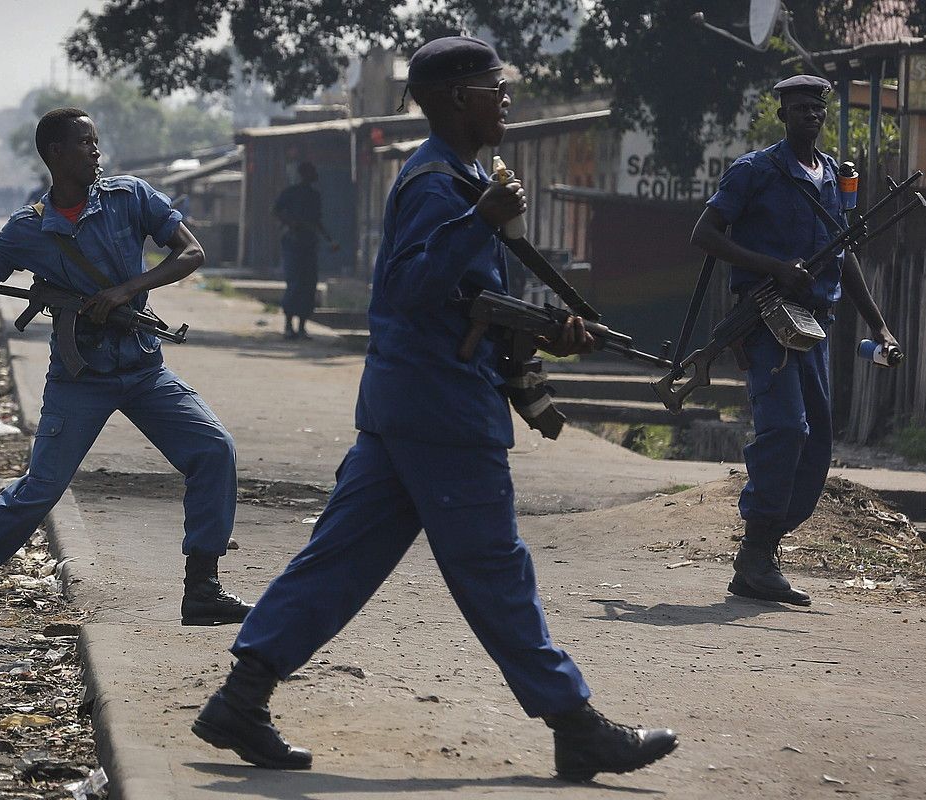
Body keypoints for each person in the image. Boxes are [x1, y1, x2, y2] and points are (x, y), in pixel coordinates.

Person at [192, 36, 678, 784]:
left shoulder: (467, 177)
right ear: (457, 98)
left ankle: (241, 697)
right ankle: (576, 724)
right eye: (495, 86)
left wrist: (553, 331)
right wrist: (479, 219)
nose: (506, 98)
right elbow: (412, 289)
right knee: (495, 569)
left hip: (410, 407)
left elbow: (465, 303)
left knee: (340, 559)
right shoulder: (437, 185)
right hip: (442, 412)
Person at [0, 108, 252, 635]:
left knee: (214, 449)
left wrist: (125, 291)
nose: (96, 151)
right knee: (40, 490)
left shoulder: (130, 197)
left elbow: (191, 252)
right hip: (80, 377)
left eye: (95, 142)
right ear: (54, 153)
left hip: (142, 365)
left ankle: (202, 589)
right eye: (83, 143)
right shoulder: (29, 229)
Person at [690, 75, 899, 606]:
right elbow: (705, 235)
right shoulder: (755, 171)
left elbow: (844, 252)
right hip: (765, 320)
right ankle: (755, 554)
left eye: (817, 109)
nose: (811, 115)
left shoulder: (831, 176)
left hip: (815, 328)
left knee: (817, 444)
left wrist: (878, 324)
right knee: (785, 428)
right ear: (782, 114)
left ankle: (763, 555)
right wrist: (773, 268)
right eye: (800, 108)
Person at [273, 161, 337, 340]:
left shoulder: (314, 196)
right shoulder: (291, 193)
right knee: (294, 283)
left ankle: (301, 327)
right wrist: (291, 223)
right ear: (305, 174)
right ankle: (288, 326)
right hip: (293, 242)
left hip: (309, 243)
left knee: (308, 284)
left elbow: (317, 221)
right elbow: (276, 211)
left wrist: (329, 240)